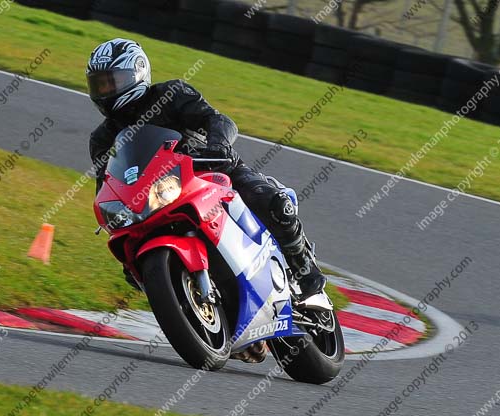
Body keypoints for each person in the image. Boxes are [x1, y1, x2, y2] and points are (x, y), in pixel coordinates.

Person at [87, 38, 326, 299]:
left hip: (210, 172)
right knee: (131, 263)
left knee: (272, 202)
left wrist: (218, 145)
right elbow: (107, 182)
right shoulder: (102, 138)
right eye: (99, 84)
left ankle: (303, 267)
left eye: (112, 81)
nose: (105, 91)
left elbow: (218, 120)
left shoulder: (171, 94)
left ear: (137, 72)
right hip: (156, 198)